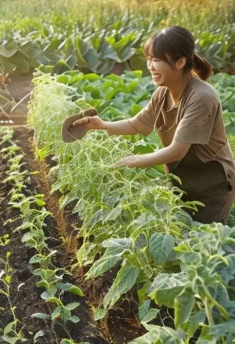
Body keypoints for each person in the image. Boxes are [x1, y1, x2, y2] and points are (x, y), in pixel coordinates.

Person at [72, 25, 235, 224]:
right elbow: (138, 125)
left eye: (156, 60)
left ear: (180, 62)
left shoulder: (201, 97)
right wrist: (102, 125)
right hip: (182, 178)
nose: (150, 66)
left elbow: (177, 151)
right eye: (149, 59)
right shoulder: (164, 91)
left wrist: (132, 160)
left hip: (212, 184)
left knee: (205, 244)